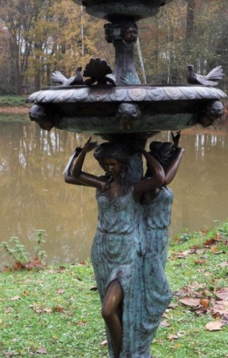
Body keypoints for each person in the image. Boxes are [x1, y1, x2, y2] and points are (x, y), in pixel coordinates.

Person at [64, 138, 165, 358]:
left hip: (126, 250)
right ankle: (119, 353)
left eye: (114, 164)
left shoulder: (133, 188)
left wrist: (143, 152)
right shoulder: (104, 184)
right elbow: (72, 175)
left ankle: (123, 354)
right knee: (112, 305)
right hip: (102, 248)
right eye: (106, 164)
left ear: (123, 164)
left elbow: (160, 177)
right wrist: (80, 153)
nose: (110, 168)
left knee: (108, 310)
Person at [139, 132, 185, 354]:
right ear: (156, 162)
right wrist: (145, 152)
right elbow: (164, 177)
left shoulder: (157, 182)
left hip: (160, 238)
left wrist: (178, 150)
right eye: (163, 161)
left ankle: (145, 320)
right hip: (150, 239)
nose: (166, 166)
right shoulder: (150, 185)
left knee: (153, 282)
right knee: (161, 291)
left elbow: (167, 175)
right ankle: (145, 322)